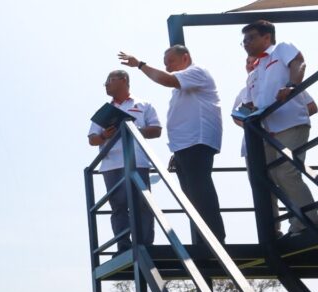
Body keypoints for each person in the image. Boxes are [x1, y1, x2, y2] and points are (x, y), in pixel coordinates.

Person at [119, 46, 226, 245]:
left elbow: (167, 81)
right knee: (191, 197)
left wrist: (140, 65)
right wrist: (177, 151)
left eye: (171, 61)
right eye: (165, 63)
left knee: (200, 193)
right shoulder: (184, 84)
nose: (167, 67)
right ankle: (204, 240)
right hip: (185, 147)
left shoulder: (196, 72)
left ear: (185, 57)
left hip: (197, 142)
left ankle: (215, 240)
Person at [241, 19, 318, 236]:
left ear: (267, 37)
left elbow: (299, 63)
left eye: (251, 38)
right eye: (244, 41)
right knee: (270, 177)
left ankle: (307, 221)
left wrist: (291, 85)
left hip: (291, 122)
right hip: (267, 132)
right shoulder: (254, 72)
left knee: (285, 171)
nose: (246, 43)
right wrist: (243, 112)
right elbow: (249, 104)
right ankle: (289, 225)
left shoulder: (282, 48)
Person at [87, 70, 162, 252]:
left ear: (123, 80)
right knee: (119, 207)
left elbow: (157, 130)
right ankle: (124, 246)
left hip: (138, 163)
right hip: (112, 165)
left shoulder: (143, 105)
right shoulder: (104, 111)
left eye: (109, 80)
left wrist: (131, 130)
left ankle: (146, 245)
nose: (106, 85)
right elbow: (92, 139)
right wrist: (105, 135)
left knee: (143, 205)